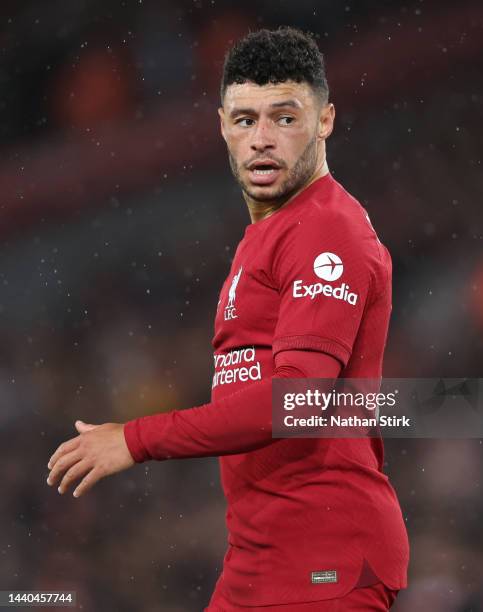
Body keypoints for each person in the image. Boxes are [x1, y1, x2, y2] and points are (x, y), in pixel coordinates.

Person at [47, 27, 409, 610]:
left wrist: (136, 440)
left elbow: (298, 400)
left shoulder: (327, 229)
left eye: (285, 118)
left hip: (324, 560)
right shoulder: (265, 234)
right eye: (245, 120)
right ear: (222, 126)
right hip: (261, 557)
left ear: (325, 121)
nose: (262, 139)